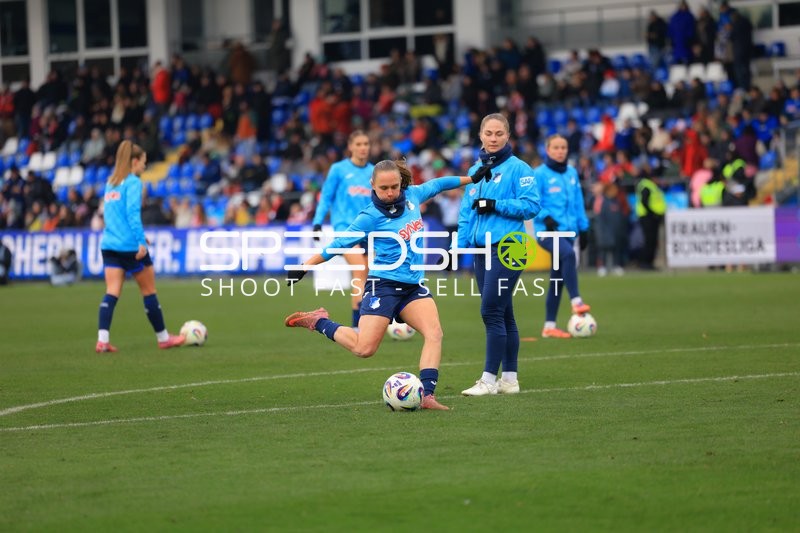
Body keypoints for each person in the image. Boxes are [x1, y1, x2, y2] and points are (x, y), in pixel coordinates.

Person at [284, 160, 481, 410]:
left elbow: (439, 184)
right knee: (363, 349)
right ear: (372, 186)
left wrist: (471, 179)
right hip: (384, 286)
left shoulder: (413, 195)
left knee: (434, 334)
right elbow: (338, 245)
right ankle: (318, 321)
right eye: (384, 188)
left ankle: (427, 395)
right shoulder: (369, 216)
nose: (390, 193)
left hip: (412, 287)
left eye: (394, 187)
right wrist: (305, 265)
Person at [458, 113, 541, 396]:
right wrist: (463, 241)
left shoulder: (520, 169)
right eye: (488, 133)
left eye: (499, 134)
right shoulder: (475, 171)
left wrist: (495, 204)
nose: (493, 139)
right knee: (504, 313)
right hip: (482, 249)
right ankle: (510, 380)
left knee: (490, 310)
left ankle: (488, 380)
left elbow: (531, 206)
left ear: (508, 136)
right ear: (480, 135)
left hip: (509, 248)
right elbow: (466, 211)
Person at [95, 141, 184, 353]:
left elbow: (112, 217)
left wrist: (140, 236)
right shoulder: (134, 182)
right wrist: (140, 242)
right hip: (130, 247)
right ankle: (163, 338)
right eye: (144, 162)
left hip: (110, 244)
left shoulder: (111, 182)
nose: (145, 166)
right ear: (134, 162)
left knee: (112, 291)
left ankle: (102, 340)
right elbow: (132, 214)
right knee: (149, 290)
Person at [311, 130, 374, 328]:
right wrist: (317, 222)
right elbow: (326, 196)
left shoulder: (374, 171)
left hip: (370, 230)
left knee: (373, 274)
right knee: (360, 269)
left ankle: (371, 319)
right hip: (345, 229)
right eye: (359, 144)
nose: (363, 148)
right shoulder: (338, 170)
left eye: (366, 144)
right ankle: (357, 324)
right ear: (350, 147)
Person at [533, 134, 591, 339]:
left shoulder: (572, 173)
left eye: (563, 147)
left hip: (569, 231)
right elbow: (531, 201)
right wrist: (545, 216)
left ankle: (549, 326)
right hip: (547, 232)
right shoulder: (539, 174)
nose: (560, 151)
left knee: (557, 279)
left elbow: (578, 204)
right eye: (556, 147)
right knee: (568, 255)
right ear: (547, 150)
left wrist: (584, 229)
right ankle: (576, 301)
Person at [635, 174, 666, 270]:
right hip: (648, 217)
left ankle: (649, 263)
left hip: (651, 217)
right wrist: (652, 214)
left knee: (651, 241)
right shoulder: (647, 185)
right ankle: (645, 263)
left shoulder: (650, 186)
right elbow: (644, 201)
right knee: (649, 240)